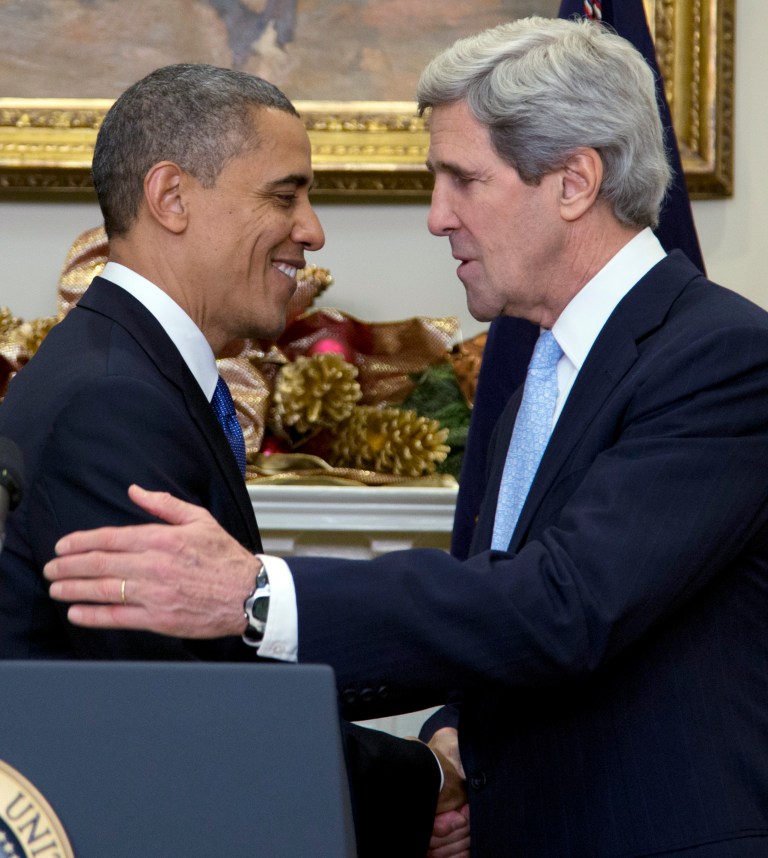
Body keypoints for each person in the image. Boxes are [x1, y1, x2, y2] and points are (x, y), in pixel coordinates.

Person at [42, 17, 768, 857]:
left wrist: (255, 595)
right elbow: (502, 603)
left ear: (574, 181)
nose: (436, 217)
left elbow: (566, 605)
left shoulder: (722, 358)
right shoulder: (536, 359)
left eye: (462, 180)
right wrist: (456, 738)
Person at [0, 63, 460, 857]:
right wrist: (430, 781)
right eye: (285, 196)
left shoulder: (130, 370)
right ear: (171, 197)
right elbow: (189, 705)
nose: (312, 230)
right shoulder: (113, 399)